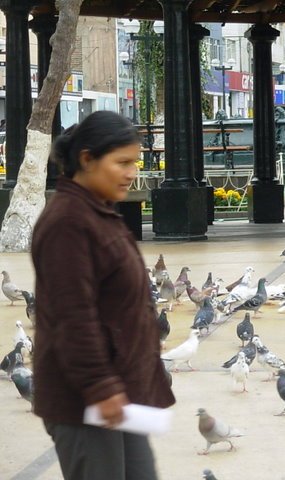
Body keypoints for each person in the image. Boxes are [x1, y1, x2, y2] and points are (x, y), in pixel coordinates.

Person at [31, 111, 174, 480]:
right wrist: (100, 386)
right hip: (85, 400)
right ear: (87, 159)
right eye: (121, 162)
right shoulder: (68, 222)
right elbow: (71, 317)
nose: (131, 173)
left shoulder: (97, 213)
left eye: (135, 163)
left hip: (118, 393)